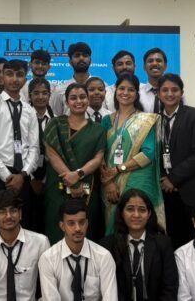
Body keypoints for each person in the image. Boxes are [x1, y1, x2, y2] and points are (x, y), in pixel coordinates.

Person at [99, 73, 164, 235]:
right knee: (115, 229)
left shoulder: (146, 120)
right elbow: (100, 154)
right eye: (121, 88)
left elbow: (148, 154)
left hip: (137, 180)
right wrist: (108, 182)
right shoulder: (107, 120)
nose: (125, 93)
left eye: (130, 89)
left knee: (137, 224)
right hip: (110, 183)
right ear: (115, 91)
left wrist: (119, 169)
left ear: (136, 94)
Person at [0, 59, 39, 235]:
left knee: (23, 224)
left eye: (19, 75)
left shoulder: (29, 110)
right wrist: (7, 176)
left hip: (22, 177)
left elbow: (34, 148)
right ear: (2, 77)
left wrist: (23, 174)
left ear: (25, 79)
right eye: (10, 74)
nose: (14, 79)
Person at [44, 83, 106, 244]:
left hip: (86, 190)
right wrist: (70, 179)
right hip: (58, 188)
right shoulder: (55, 125)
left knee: (84, 231)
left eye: (82, 97)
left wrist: (77, 175)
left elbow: (98, 158)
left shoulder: (98, 130)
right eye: (73, 98)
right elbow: (52, 154)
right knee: (57, 231)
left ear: (88, 99)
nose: (78, 101)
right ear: (66, 102)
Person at [157, 73, 195, 248]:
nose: (170, 94)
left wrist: (173, 178)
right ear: (158, 94)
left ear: (181, 93)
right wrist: (164, 179)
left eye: (175, 90)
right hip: (166, 193)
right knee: (173, 241)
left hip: (192, 190)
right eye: (165, 90)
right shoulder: (155, 120)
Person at [99, 189, 178, 301]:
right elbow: (108, 290)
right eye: (130, 209)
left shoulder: (163, 243)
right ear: (121, 213)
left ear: (149, 214)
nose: (136, 215)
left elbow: (170, 288)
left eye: (142, 210)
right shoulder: (107, 245)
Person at [38, 199, 118, 300]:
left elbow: (110, 298)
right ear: (62, 226)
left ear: (87, 223)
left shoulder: (103, 257)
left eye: (81, 222)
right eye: (71, 223)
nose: (78, 228)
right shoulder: (48, 259)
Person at [0, 189, 50, 301]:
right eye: (2, 212)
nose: (8, 216)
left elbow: (50, 285)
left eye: (13, 210)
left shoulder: (40, 242)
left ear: (20, 214)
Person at [28, 77, 55, 233]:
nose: (40, 97)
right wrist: (31, 178)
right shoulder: (22, 117)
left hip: (49, 179)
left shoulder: (57, 120)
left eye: (44, 93)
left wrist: (44, 180)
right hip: (27, 178)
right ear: (30, 95)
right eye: (36, 93)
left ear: (50, 95)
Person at [50, 42, 95, 116]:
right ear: (70, 61)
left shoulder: (101, 88)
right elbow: (55, 116)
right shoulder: (60, 90)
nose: (81, 58)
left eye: (85, 55)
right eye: (77, 55)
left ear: (90, 60)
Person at [140, 48, 168, 113]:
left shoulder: (174, 92)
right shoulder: (138, 94)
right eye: (150, 61)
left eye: (158, 60)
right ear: (144, 67)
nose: (154, 63)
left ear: (165, 66)